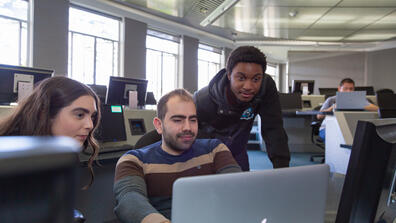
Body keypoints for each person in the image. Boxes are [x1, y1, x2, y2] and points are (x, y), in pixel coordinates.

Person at [113, 89, 241, 223]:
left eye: (192, 120)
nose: (188, 127)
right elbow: (129, 199)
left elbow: (237, 187)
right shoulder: (133, 160)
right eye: (178, 120)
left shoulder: (214, 150)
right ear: (159, 125)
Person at [194, 46, 290, 171]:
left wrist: (282, 168)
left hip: (238, 146)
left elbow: (273, 127)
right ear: (229, 75)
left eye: (256, 79)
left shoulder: (266, 87)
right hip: (208, 148)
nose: (249, 86)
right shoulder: (203, 100)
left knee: (241, 185)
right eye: (241, 78)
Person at [0, 76, 101, 186]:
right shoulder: (9, 160)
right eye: (80, 115)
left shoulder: (62, 155)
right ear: (46, 114)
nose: (90, 125)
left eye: (92, 117)